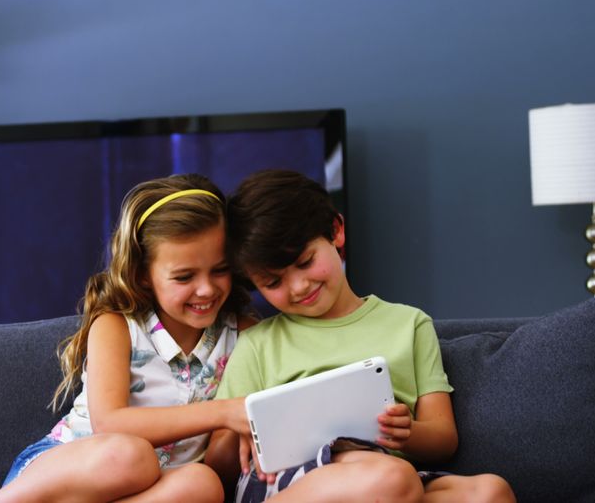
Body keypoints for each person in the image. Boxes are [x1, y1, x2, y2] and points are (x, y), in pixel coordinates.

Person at [206, 169, 515, 502]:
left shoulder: (409, 324)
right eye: (273, 283)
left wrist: (406, 433)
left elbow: (443, 438)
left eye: (306, 262)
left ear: (336, 232)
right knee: (392, 479)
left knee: (489, 491)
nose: (298, 286)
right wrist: (247, 429)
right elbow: (218, 462)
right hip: (290, 483)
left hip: (394, 476)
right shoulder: (259, 343)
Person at [0, 174, 258, 503]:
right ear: (143, 275)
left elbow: (220, 462)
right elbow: (110, 422)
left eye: (220, 270)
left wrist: (248, 423)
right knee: (130, 455)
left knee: (204, 484)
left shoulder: (244, 336)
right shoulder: (116, 324)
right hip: (64, 475)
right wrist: (225, 412)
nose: (206, 289)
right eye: (185, 276)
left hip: (152, 489)